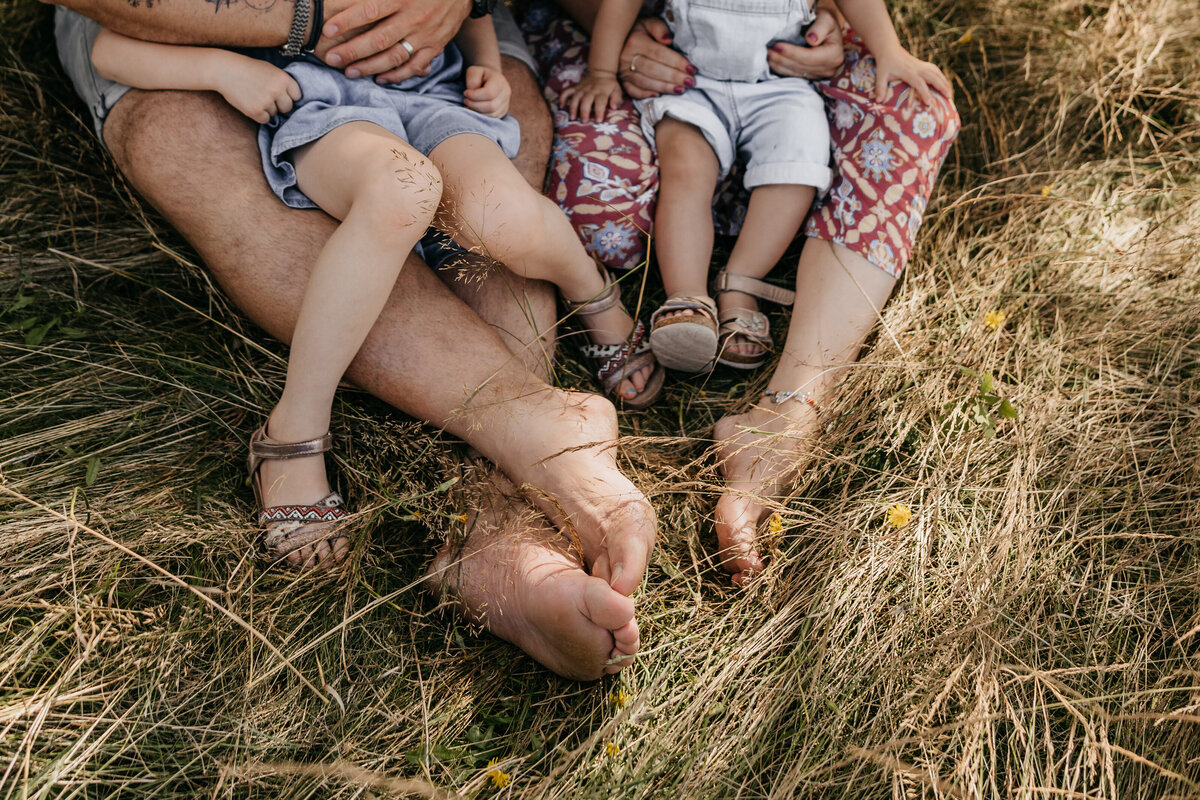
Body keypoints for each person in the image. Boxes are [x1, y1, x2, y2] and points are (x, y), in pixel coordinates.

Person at [48, 0, 654, 681]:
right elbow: (121, 39)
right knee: (204, 142)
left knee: (497, 201)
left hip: (432, 71)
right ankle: (541, 434)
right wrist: (267, 37)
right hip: (257, 58)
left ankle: (504, 522)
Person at [518, 0, 960, 582]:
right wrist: (609, 53)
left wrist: (845, 24)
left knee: (906, 110)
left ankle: (785, 403)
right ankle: (687, 295)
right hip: (660, 62)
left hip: (778, 76)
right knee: (606, 226)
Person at [558, 0, 834, 373]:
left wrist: (886, 50)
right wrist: (603, 71)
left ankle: (742, 281)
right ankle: (687, 299)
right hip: (690, 80)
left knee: (797, 164)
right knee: (685, 166)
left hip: (782, 86)